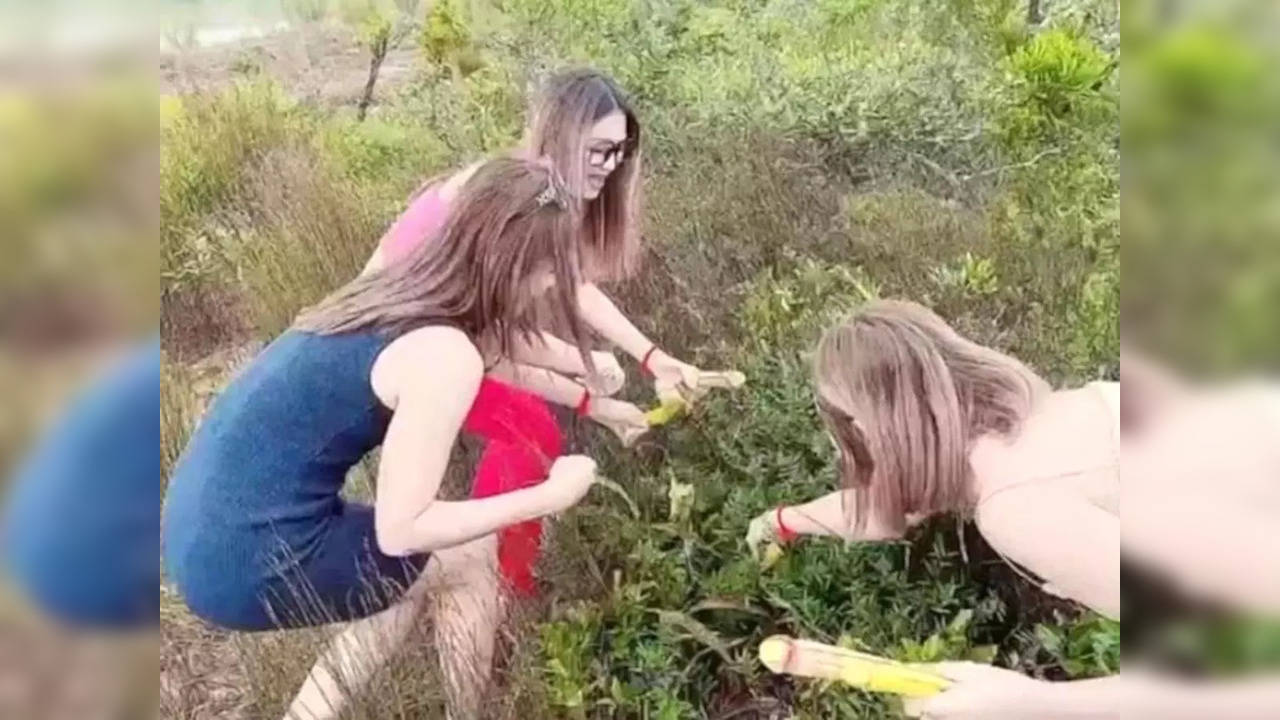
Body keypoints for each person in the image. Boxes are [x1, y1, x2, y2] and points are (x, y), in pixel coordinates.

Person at [162, 159, 603, 720]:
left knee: (408, 577)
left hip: (194, 528)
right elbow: (403, 529)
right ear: (506, 265)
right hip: (241, 560)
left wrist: (594, 378)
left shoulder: (399, 288)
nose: (550, 288)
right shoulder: (443, 355)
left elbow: (501, 349)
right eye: (547, 271)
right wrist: (552, 495)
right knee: (466, 558)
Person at [363, 68, 705, 596]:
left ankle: (490, 568)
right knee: (527, 428)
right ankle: (497, 575)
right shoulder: (507, 201)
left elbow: (571, 285)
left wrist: (649, 356)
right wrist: (583, 375)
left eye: (620, 151)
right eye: (599, 150)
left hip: (440, 333)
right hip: (394, 338)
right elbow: (490, 344)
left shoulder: (542, 196)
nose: (611, 166)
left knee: (528, 425)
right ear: (561, 136)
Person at [746, 299, 1120, 620]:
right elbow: (885, 512)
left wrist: (1029, 701)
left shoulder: (1014, 507)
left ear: (879, 422)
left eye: (853, 421)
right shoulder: (1059, 410)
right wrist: (782, 521)